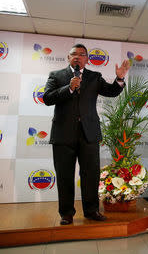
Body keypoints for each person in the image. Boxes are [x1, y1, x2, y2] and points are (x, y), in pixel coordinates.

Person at [43, 44, 130, 225]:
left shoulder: (94, 77)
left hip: (89, 134)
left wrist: (120, 78)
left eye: (82, 54)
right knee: (65, 176)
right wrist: (69, 88)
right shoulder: (56, 76)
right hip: (63, 135)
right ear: (68, 57)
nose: (78, 57)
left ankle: (91, 211)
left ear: (87, 59)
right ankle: (66, 213)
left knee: (91, 175)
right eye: (74, 53)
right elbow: (47, 98)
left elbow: (111, 91)